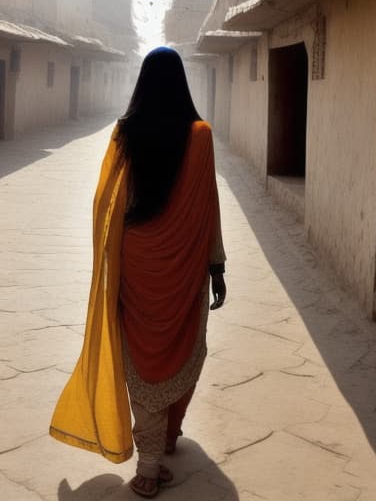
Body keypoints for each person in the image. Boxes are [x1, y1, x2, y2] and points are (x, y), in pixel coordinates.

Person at [49, 47, 226, 499]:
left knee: (141, 360)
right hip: (184, 271)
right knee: (183, 351)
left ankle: (153, 447)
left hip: (136, 265)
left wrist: (110, 260)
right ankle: (151, 462)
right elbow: (208, 208)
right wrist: (217, 264)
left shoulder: (125, 133)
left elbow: (107, 203)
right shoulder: (200, 135)